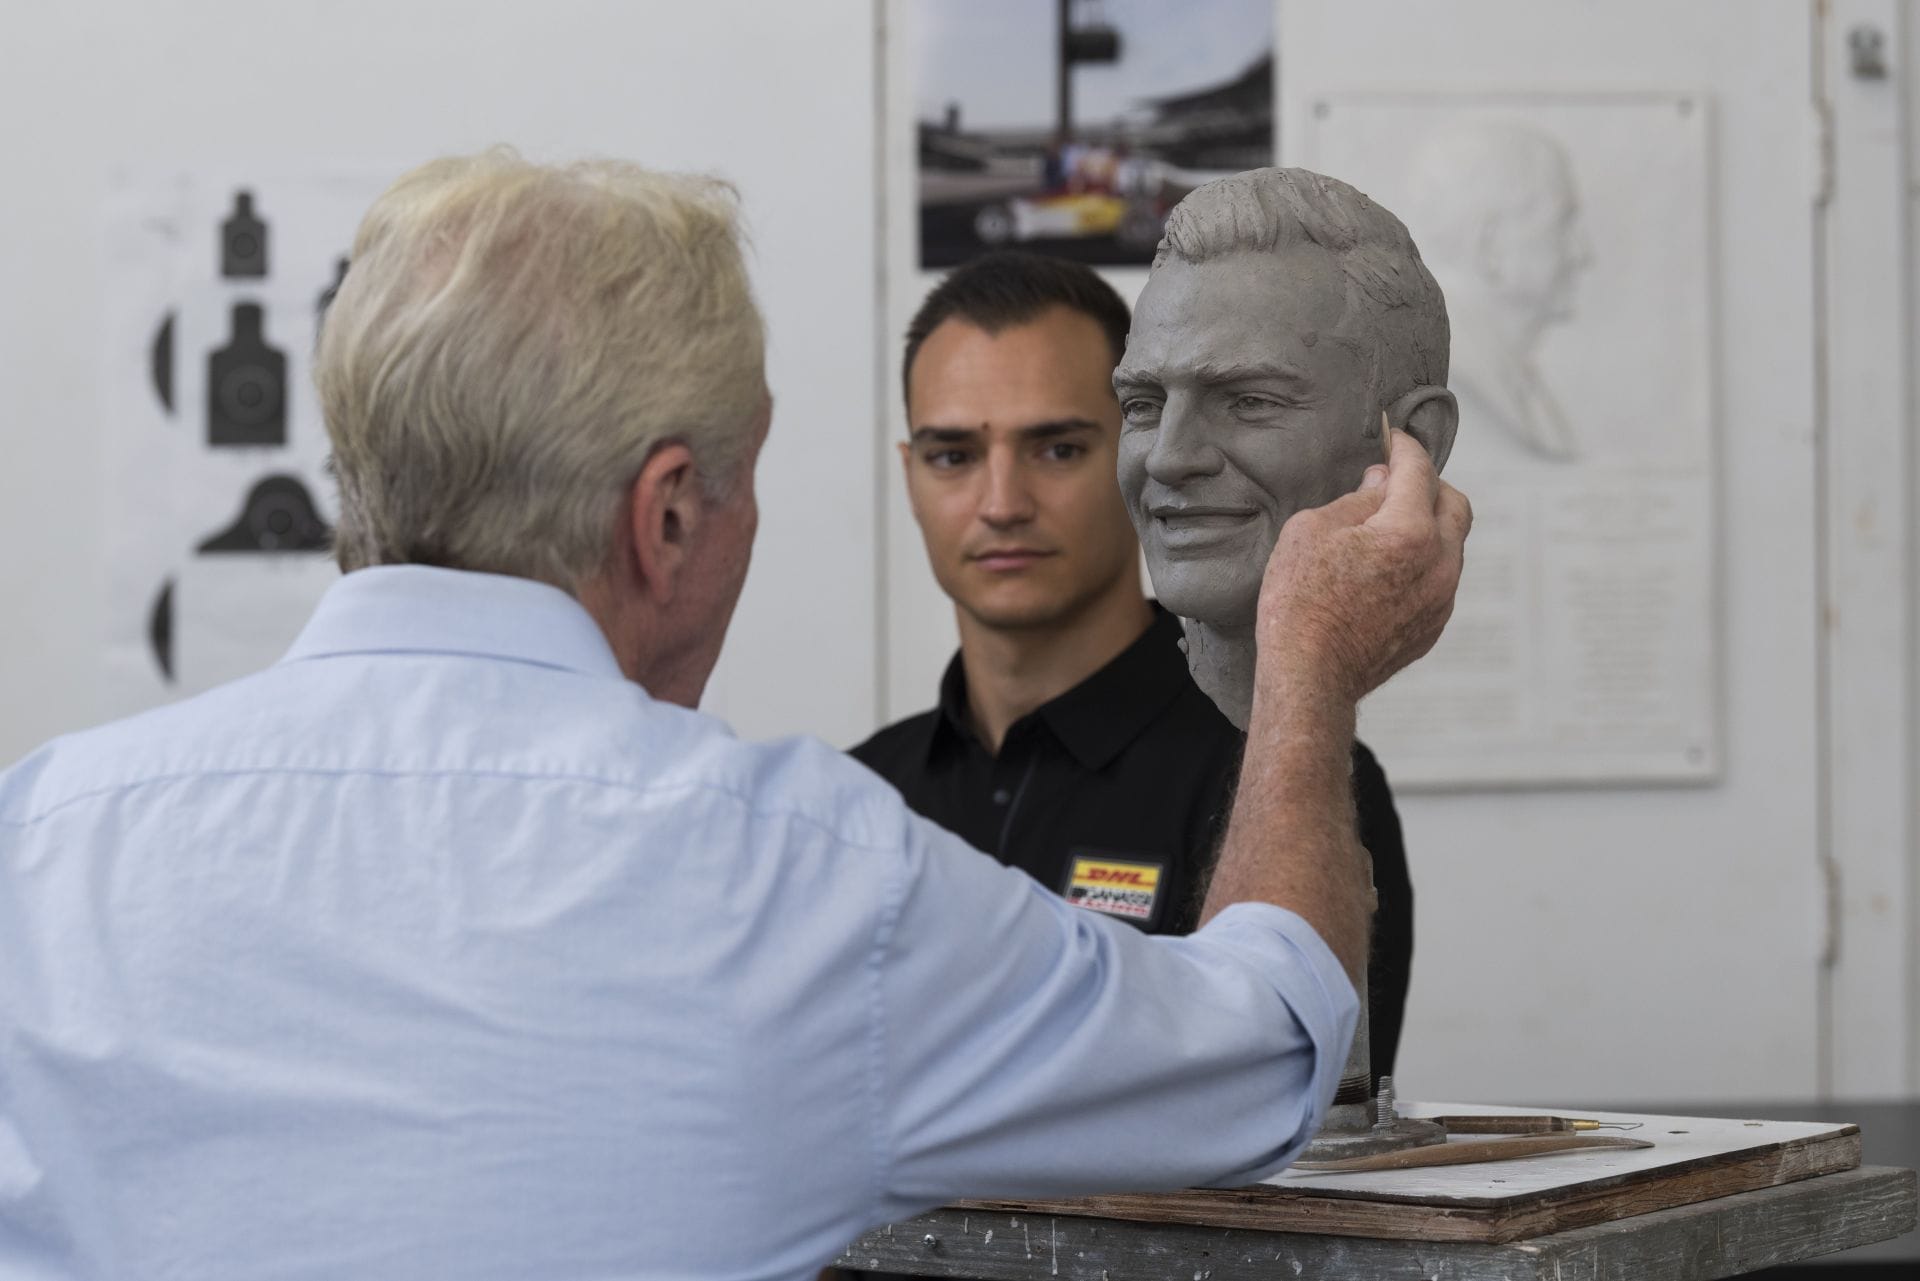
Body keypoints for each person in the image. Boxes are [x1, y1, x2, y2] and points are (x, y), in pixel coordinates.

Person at [0, 150, 1469, 1281]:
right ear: (667, 515)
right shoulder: (790, 876)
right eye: (749, 481)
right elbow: (1262, 1051)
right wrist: (1313, 671)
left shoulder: (43, 835)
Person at [854, 251, 1415, 1081]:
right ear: (909, 476)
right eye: (953, 456)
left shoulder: (1286, 778)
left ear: (1142, 455)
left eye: (1057, 449)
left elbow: (1299, 1109)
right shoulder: (858, 796)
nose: (1001, 503)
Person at [1114, 164, 1458, 1117]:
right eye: (1143, 404)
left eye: (1249, 400)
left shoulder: (1355, 797)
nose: (1169, 456)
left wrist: (1313, 660)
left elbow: (1250, 1084)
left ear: (1409, 443)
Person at [1405, 121, 1591, 464]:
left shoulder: (1514, 380)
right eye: (1561, 225)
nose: (1582, 254)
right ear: (1490, 246)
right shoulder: (1450, 384)